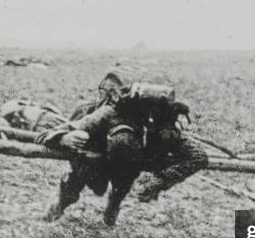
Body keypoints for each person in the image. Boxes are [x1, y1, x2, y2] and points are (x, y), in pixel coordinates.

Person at [39, 77, 208, 226]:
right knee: (75, 184)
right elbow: (47, 134)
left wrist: (161, 180)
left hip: (131, 166)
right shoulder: (106, 115)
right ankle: (60, 204)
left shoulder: (162, 128)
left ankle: (113, 206)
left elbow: (198, 156)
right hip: (96, 158)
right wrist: (64, 138)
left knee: (122, 183)